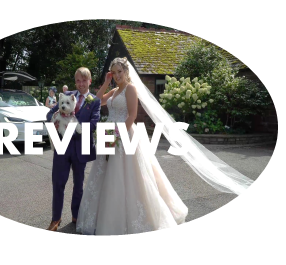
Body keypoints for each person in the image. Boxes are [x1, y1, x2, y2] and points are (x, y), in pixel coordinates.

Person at [76, 57, 253, 235]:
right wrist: (106, 82)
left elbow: (132, 116)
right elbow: (96, 102)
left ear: (126, 72)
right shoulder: (114, 90)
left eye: (119, 72)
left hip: (124, 134)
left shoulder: (130, 89)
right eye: (113, 73)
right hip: (110, 135)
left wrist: (118, 136)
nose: (116, 76)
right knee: (105, 176)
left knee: (128, 178)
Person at [46, 67, 101, 231]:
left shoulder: (94, 101)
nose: (81, 84)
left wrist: (75, 127)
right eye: (78, 80)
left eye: (84, 80)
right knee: (58, 183)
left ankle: (76, 215)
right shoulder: (66, 96)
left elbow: (94, 124)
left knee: (78, 184)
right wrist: (55, 119)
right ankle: (55, 219)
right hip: (62, 147)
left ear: (89, 81)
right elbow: (49, 114)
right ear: (75, 81)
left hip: (80, 147)